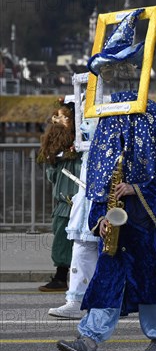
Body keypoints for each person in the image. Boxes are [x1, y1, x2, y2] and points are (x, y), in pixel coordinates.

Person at [56, 8, 156, 351]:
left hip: (145, 217)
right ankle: (89, 340)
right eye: (108, 71)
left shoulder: (154, 114)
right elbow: (96, 171)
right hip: (114, 216)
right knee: (107, 276)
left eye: (116, 70)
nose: (111, 77)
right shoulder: (105, 117)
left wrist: (139, 190)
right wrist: (99, 215)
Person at [48, 111, 99, 319]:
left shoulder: (106, 144)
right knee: (81, 249)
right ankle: (76, 300)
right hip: (84, 201)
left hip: (101, 202)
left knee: (108, 252)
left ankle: (112, 300)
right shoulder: (82, 148)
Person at [37, 99, 82, 292]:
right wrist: (52, 159)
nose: (57, 119)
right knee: (62, 238)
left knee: (73, 240)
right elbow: (51, 176)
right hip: (63, 199)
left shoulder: (80, 145)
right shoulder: (57, 147)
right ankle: (62, 276)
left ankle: (63, 277)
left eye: (63, 116)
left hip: (75, 198)